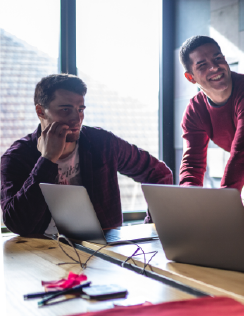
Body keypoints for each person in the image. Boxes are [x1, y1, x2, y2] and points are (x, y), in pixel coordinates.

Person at [0, 74, 173, 236]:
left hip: (102, 253)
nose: (77, 119)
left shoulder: (102, 143)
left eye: (80, 109)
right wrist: (47, 160)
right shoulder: (16, 158)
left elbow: (159, 174)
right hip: (42, 255)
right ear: (40, 111)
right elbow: (18, 224)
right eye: (66, 110)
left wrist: (151, 227)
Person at [178, 36, 244, 195]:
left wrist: (225, 203)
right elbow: (192, 164)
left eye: (218, 58)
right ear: (190, 77)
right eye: (202, 65)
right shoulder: (195, 112)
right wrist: (187, 201)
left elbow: (242, 155)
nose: (214, 67)